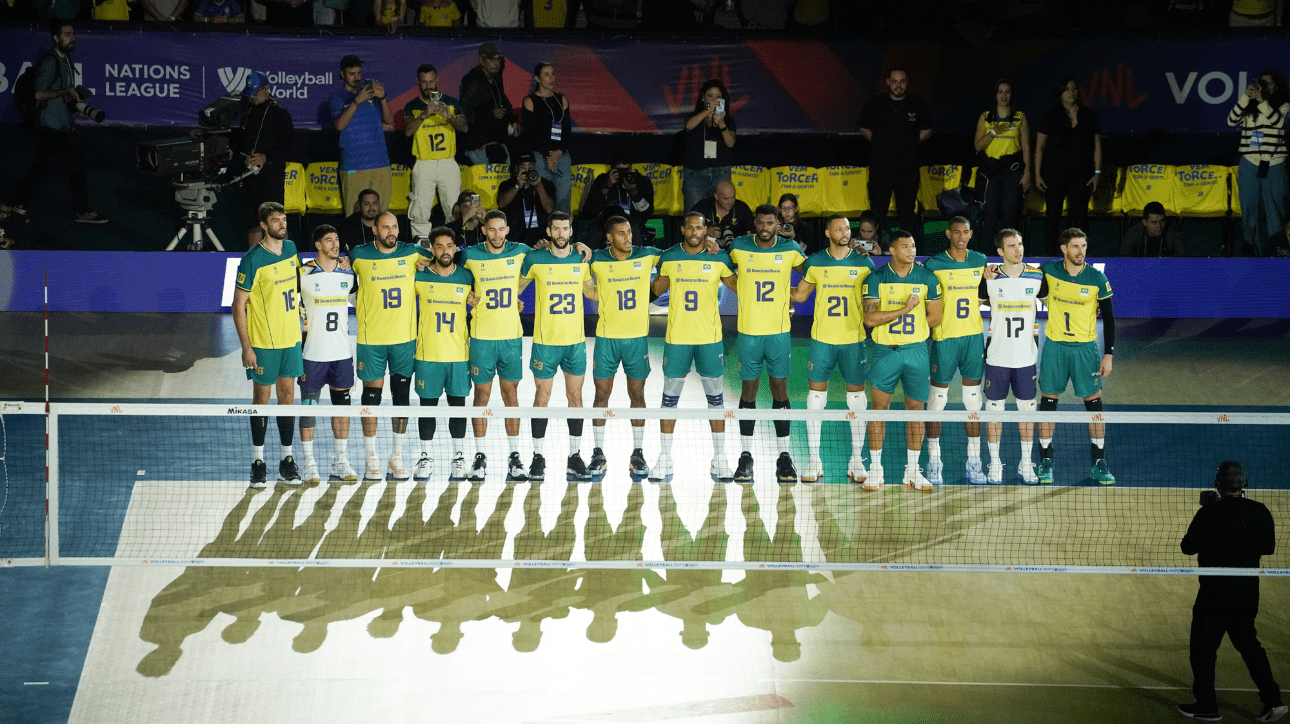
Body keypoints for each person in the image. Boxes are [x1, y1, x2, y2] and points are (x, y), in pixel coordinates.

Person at [1177, 461, 1285, 723]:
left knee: (1203, 650)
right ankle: (1273, 701)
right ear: (1244, 485)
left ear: (1217, 485)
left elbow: (1188, 547)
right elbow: (1268, 548)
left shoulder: (1209, 513)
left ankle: (1207, 706)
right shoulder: (1259, 511)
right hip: (1247, 592)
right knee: (1249, 645)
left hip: (1214, 593)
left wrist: (1208, 511)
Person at [649, 212, 736, 483]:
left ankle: (720, 458)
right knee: (668, 401)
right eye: (691, 228)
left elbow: (740, 287)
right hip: (677, 339)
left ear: (705, 229)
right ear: (683, 229)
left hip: (710, 339)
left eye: (700, 228)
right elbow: (654, 291)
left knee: (716, 401)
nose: (695, 232)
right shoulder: (670, 257)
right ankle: (664, 459)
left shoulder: (718, 257)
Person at [790, 213, 876, 484]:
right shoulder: (815, 261)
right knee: (816, 399)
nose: (845, 232)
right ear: (828, 233)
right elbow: (800, 295)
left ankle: (856, 460)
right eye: (839, 229)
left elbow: (876, 298)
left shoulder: (865, 263)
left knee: (857, 399)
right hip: (822, 340)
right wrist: (772, 283)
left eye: (847, 228)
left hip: (854, 340)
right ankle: (814, 459)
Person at [348, 211, 433, 482]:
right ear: (375, 230)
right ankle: (371, 457)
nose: (391, 231)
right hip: (371, 340)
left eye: (394, 226)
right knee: (370, 397)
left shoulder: (412, 253)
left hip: (404, 340)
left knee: (401, 397)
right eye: (385, 227)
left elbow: (445, 254)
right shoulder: (359, 255)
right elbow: (341, 276)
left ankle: (397, 457)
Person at [724, 203, 806, 483]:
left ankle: (784, 457)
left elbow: (815, 271)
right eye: (761, 223)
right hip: (748, 332)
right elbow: (722, 268)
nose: (765, 228)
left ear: (777, 224)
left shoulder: (791, 248)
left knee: (780, 390)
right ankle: (745, 456)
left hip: (779, 332)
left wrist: (793, 294)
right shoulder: (738, 247)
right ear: (755, 224)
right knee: (749, 391)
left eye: (770, 223)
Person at [861, 230, 943, 492]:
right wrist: (905, 310)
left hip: (917, 351)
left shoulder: (928, 278)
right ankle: (875, 469)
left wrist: (913, 332)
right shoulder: (876, 279)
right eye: (905, 246)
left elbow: (936, 317)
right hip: (886, 351)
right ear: (892, 251)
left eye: (914, 245)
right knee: (878, 410)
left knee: (915, 410)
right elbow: (870, 319)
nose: (912, 250)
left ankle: (912, 471)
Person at [586, 215, 666, 482]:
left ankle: (638, 452)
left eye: (629, 232)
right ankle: (598, 451)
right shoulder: (597, 259)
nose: (627, 237)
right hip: (607, 340)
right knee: (601, 395)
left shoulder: (647, 256)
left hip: (636, 339)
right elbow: (576, 262)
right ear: (609, 237)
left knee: (637, 395)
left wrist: (709, 243)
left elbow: (676, 255)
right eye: (621, 233)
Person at [231, 202, 303, 488]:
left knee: (287, 399)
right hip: (264, 343)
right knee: (261, 401)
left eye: (283, 219)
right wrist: (246, 347)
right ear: (264, 225)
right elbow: (239, 306)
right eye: (276, 220)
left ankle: (287, 460)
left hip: (291, 341)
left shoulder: (292, 249)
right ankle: (258, 462)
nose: (282, 224)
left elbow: (296, 289)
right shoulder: (252, 260)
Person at [1036, 228, 1116, 486]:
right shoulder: (1048, 270)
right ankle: (1046, 461)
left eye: (1083, 246)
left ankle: (1099, 462)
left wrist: (1108, 355)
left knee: (1094, 404)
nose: (1081, 251)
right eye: (1075, 246)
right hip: (1055, 348)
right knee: (1048, 401)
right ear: (1064, 249)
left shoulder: (1097, 278)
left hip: (1085, 350)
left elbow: (1111, 320)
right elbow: (1022, 280)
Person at [12, 22, 109, 225]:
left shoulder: (67, 60)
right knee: (44, 167)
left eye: (73, 34)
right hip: (50, 127)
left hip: (64, 125)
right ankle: (18, 202)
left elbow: (62, 96)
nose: (71, 38)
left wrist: (76, 110)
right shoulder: (49, 62)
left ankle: (80, 210)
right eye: (66, 34)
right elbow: (39, 93)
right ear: (56, 38)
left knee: (75, 167)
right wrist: (66, 92)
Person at [520, 211, 593, 482]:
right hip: (545, 343)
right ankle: (537, 457)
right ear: (548, 232)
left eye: (566, 229)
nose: (561, 234)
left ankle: (575, 457)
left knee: (575, 398)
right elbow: (515, 287)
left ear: (571, 231)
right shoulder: (535, 258)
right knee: (542, 398)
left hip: (575, 342)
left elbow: (591, 292)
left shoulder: (581, 258)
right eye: (556, 229)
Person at [462, 210, 532, 482]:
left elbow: (552, 251)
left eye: (502, 229)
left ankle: (514, 457)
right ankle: (480, 456)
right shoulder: (470, 256)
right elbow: (451, 274)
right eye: (492, 230)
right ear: (484, 231)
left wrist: (582, 247)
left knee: (510, 395)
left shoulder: (521, 251)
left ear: (507, 230)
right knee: (481, 396)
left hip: (511, 337)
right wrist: (466, 295)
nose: (497, 235)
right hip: (481, 338)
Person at [923, 217, 989, 486]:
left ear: (971, 234)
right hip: (944, 339)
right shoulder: (934, 264)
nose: (962, 236)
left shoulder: (980, 261)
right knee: (937, 400)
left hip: (973, 338)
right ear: (949, 234)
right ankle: (934, 461)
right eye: (957, 232)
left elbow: (985, 294)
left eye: (966, 232)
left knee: (973, 400)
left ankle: (974, 461)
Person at [977, 229, 1046, 485]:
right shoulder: (990, 276)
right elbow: (978, 302)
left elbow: (1055, 302)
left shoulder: (1038, 275)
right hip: (996, 358)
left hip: (1026, 358)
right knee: (994, 413)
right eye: (1012, 246)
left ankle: (1026, 463)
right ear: (1000, 252)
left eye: (1020, 243)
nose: (1018, 249)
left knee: (1026, 413)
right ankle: (995, 463)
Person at [296, 224, 357, 485]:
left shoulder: (348, 274)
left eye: (337, 239)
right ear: (318, 245)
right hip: (312, 353)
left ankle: (340, 460)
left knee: (342, 408)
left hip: (341, 353)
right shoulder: (303, 273)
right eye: (329, 240)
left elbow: (361, 303)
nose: (335, 244)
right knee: (309, 409)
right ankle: (309, 463)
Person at [412, 227, 474, 482]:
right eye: (439, 246)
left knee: (457, 408)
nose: (445, 251)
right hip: (428, 355)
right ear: (432, 249)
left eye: (450, 246)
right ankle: (425, 456)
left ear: (456, 248)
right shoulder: (419, 276)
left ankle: (458, 457)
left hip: (459, 355)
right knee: (427, 408)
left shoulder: (467, 277)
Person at [859, 69, 932, 237]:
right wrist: (880, 143)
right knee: (878, 212)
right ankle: (877, 250)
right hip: (881, 168)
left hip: (908, 169)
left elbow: (927, 129)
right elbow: (863, 127)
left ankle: (908, 251)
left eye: (902, 81)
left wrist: (909, 144)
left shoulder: (917, 105)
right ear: (887, 82)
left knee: (907, 213)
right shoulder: (875, 104)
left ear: (907, 82)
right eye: (894, 81)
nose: (898, 85)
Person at [1035, 78, 1102, 256]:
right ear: (1060, 94)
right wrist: (1037, 174)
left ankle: (1080, 255)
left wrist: (1097, 172)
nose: (1071, 92)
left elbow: (1097, 146)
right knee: (1053, 216)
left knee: (1080, 217)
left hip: (1082, 175)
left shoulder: (1088, 115)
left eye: (1074, 88)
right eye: (1067, 89)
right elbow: (1039, 148)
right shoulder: (1051, 115)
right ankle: (1049, 254)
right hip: (1054, 174)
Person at [1228, 69, 1289, 256]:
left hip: (1274, 163)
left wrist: (1262, 102)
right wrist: (1246, 97)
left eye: (1270, 82)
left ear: (1277, 86)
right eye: (1262, 82)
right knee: (1248, 211)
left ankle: (1276, 251)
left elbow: (1277, 123)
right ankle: (1250, 250)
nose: (1265, 86)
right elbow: (1231, 121)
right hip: (1249, 162)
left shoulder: (1284, 105)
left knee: (1275, 213)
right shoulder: (1250, 106)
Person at [404, 63, 467, 239]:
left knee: (454, 207)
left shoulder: (451, 102)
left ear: (437, 80)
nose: (429, 86)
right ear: (418, 82)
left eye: (431, 81)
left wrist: (450, 118)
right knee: (420, 209)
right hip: (424, 163)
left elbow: (464, 127)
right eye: (424, 82)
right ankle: (421, 246)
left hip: (448, 162)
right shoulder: (412, 105)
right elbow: (408, 131)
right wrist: (424, 115)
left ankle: (453, 243)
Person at [329, 55, 393, 218]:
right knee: (354, 216)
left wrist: (383, 98)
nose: (356, 77)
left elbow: (389, 120)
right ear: (342, 74)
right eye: (352, 73)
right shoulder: (337, 98)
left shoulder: (371, 95)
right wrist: (357, 101)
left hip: (380, 163)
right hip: (354, 164)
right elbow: (339, 125)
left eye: (359, 73)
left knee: (381, 216)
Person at [236, 72, 294, 247]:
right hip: (249, 177)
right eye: (250, 92)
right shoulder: (248, 110)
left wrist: (266, 157)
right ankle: (253, 263)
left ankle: (282, 261)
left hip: (270, 178)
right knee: (252, 223)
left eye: (256, 92)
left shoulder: (279, 113)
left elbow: (290, 147)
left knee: (275, 222)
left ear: (266, 89)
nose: (253, 96)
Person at [973, 78, 1031, 250]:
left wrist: (1027, 173)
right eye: (1000, 92)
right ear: (995, 95)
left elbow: (1027, 147)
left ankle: (1010, 250)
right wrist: (993, 132)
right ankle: (992, 252)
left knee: (1009, 215)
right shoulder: (986, 117)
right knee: (989, 214)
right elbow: (977, 146)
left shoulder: (1020, 117)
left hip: (1012, 171)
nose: (1004, 96)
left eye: (1007, 92)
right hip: (991, 172)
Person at [522, 62, 574, 214]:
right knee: (543, 199)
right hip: (540, 155)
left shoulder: (561, 98)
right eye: (546, 74)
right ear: (537, 78)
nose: (551, 78)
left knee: (563, 201)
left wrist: (558, 152)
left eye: (553, 74)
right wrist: (548, 155)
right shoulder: (530, 101)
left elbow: (567, 130)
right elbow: (532, 134)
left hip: (561, 155)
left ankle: (564, 236)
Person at [681, 79, 737, 213]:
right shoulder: (694, 116)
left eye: (718, 97)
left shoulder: (728, 120)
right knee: (695, 214)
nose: (714, 100)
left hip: (720, 172)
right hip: (696, 175)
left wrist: (722, 124)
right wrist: (708, 111)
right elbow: (688, 126)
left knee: (722, 213)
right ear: (703, 97)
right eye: (710, 96)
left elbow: (731, 143)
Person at [580, 152, 655, 247]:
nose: (623, 174)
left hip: (632, 224)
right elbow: (589, 212)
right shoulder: (603, 179)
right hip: (605, 223)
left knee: (634, 228)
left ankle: (635, 258)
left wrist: (634, 192)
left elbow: (647, 213)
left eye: (626, 170)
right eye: (619, 171)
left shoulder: (641, 181)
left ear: (631, 168)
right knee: (596, 229)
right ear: (612, 169)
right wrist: (607, 186)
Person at [459, 41, 515, 166]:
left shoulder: (496, 79)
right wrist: (491, 114)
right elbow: (465, 113)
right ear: (482, 60)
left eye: (498, 60)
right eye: (493, 59)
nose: (496, 63)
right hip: (479, 144)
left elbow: (503, 101)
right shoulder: (472, 80)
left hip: (497, 141)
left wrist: (513, 119)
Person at [497, 153, 557, 246]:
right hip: (514, 238)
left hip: (540, 240)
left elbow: (549, 208)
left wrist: (538, 186)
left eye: (530, 166)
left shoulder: (545, 184)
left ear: (535, 167)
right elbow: (501, 204)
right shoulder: (508, 184)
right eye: (523, 166)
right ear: (517, 168)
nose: (527, 169)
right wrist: (517, 186)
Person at [337, 188, 409, 255]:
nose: (371, 207)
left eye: (375, 203)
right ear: (359, 206)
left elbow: (404, 247)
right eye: (366, 204)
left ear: (379, 205)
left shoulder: (390, 221)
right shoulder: (348, 225)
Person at [691, 179, 753, 249]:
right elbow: (689, 230)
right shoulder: (703, 207)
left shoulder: (742, 208)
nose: (731, 202)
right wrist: (706, 231)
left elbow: (751, 233)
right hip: (708, 252)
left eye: (733, 197)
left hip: (736, 250)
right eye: (726, 199)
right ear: (716, 197)